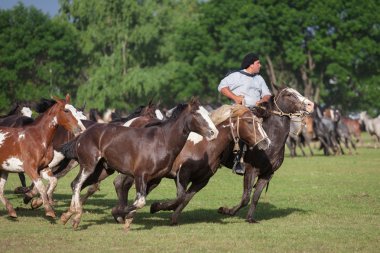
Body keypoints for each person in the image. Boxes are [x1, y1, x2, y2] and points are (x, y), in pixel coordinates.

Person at [217, 52, 271, 175]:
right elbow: (221, 87)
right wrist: (235, 97)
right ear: (251, 64)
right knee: (245, 127)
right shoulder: (236, 76)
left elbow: (267, 94)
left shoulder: (259, 78)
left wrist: (262, 100)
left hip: (257, 111)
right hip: (240, 110)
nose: (260, 65)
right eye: (258, 63)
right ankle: (237, 161)